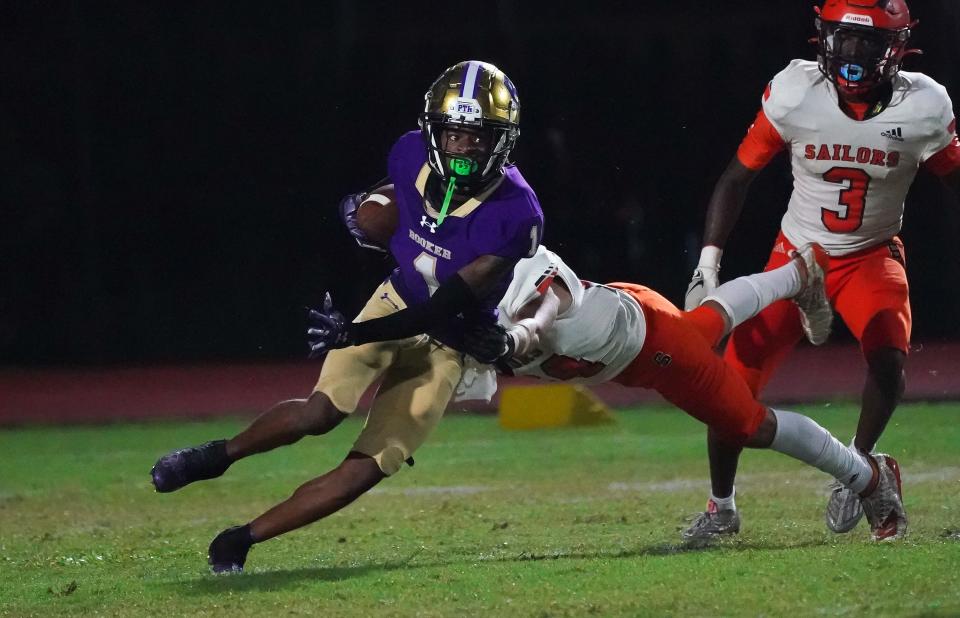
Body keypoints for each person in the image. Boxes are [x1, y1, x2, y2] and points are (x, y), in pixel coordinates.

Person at [149, 60, 544, 573]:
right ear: (433, 131)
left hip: (448, 340)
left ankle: (241, 539)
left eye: (477, 137)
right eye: (452, 134)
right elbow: (383, 199)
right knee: (321, 412)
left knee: (369, 465)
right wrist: (360, 212)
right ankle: (215, 456)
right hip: (394, 300)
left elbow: (441, 309)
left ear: (502, 141)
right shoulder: (408, 153)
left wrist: (353, 330)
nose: (462, 148)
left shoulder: (519, 213)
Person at [681, 0, 960, 540]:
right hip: (796, 259)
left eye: (867, 41)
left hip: (871, 255)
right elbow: (737, 177)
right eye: (843, 38)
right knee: (729, 387)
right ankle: (721, 508)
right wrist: (707, 262)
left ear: (897, 47)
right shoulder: (795, 91)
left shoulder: (924, 105)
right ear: (822, 37)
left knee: (888, 357)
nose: (852, 52)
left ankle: (863, 470)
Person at [462, 243, 906, 542]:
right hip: (634, 320)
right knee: (704, 323)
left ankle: (867, 476)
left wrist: (516, 339)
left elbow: (542, 312)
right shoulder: (456, 308)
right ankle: (796, 274)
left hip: (651, 349)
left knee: (747, 425)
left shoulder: (522, 272)